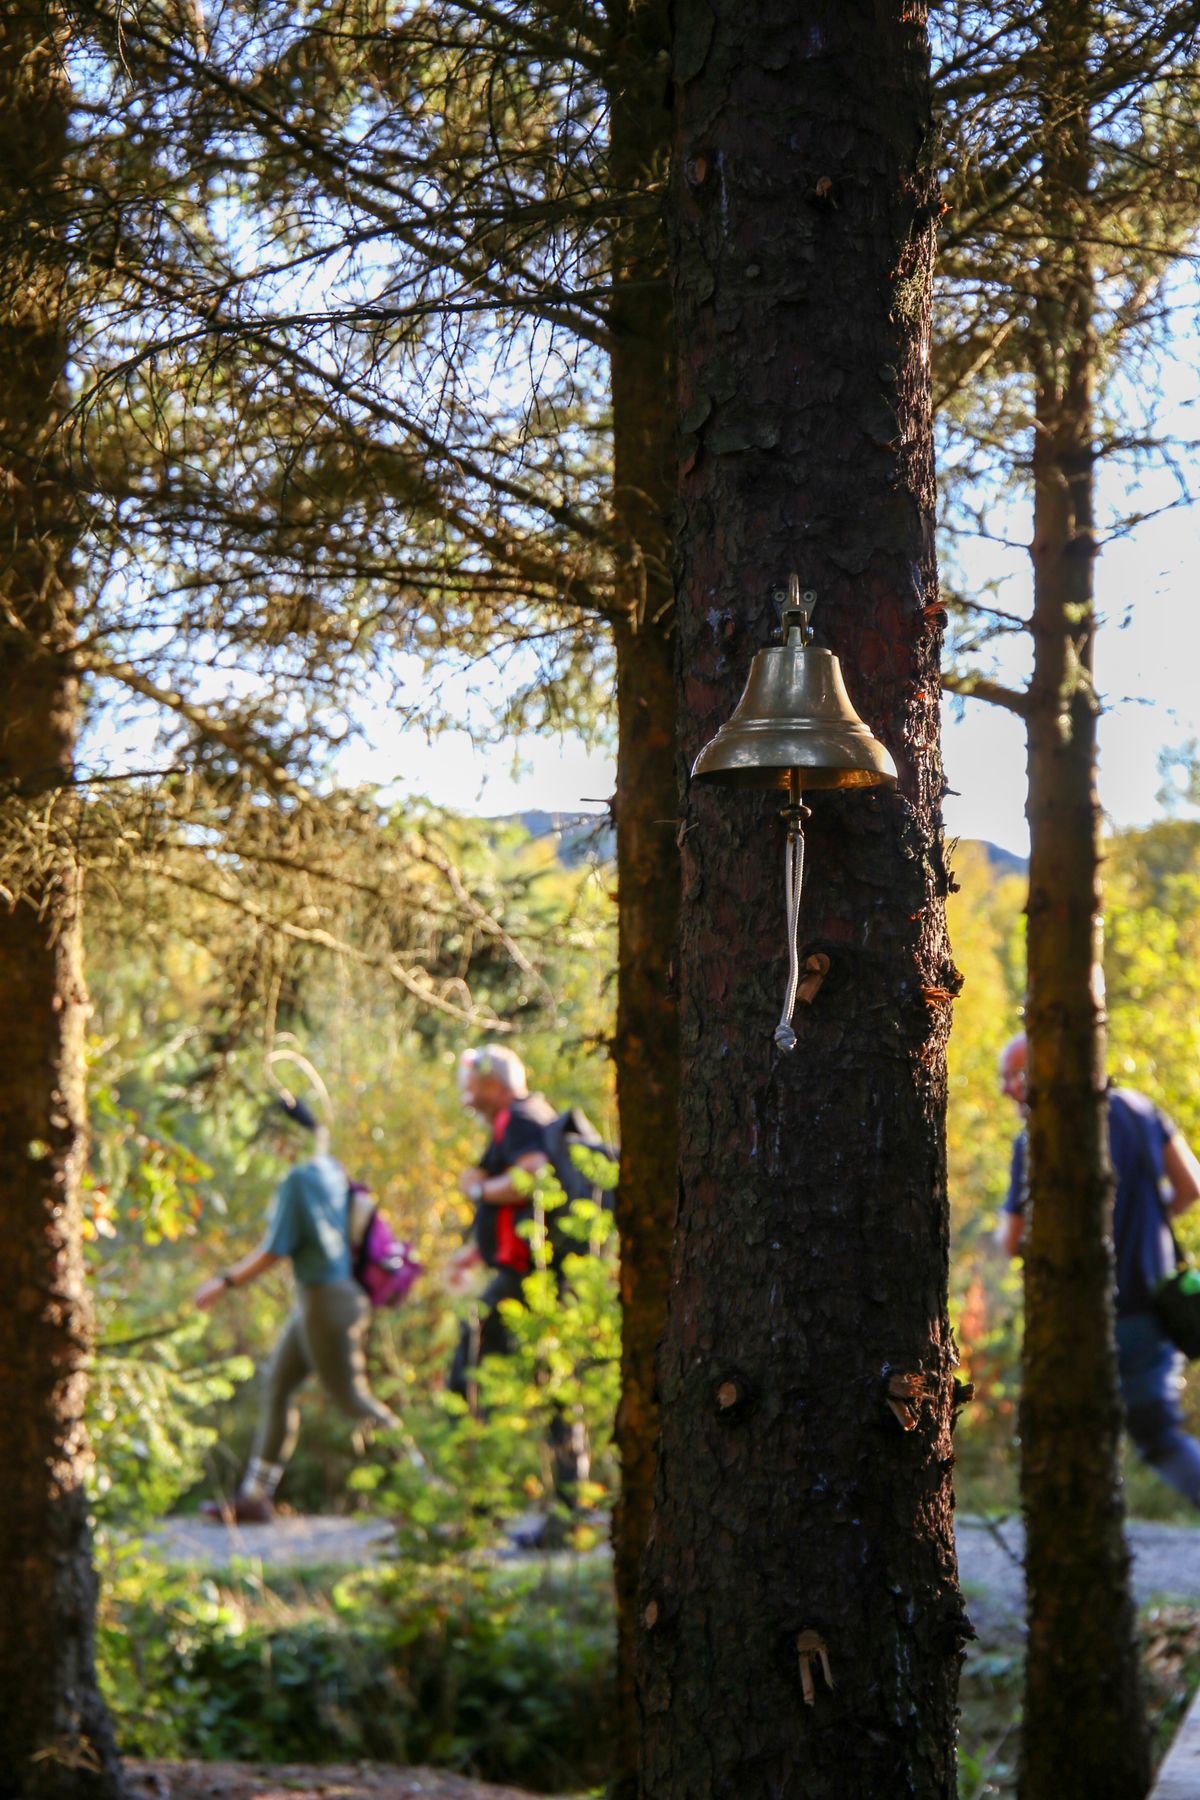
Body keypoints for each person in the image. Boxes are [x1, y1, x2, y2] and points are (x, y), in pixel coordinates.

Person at [999, 1031, 1200, 1505]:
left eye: (1015, 1075)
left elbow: (1012, 1241)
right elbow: (1190, 1187)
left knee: (1082, 1436)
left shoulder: (1036, 1138)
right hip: (1154, 1314)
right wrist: (1146, 1215)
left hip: (1083, 1314)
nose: (1007, 1088)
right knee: (1153, 1434)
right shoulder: (1138, 1109)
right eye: (1004, 1077)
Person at [195, 1094, 397, 1523]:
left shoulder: (297, 1182)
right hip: (322, 1298)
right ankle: (254, 1497)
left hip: (327, 1301)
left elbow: (273, 1251)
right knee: (279, 1384)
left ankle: (429, 1482)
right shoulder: (328, 1168)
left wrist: (222, 1283)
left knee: (354, 1400)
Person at [446, 1044, 588, 1526]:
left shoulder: (522, 1118)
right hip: (534, 1276)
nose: (466, 1088)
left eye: (473, 1079)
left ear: (496, 1083)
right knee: (549, 1384)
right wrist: (472, 1251)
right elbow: (502, 1195)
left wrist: (478, 1188)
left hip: (532, 1278)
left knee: (471, 1367)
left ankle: (482, 1505)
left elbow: (531, 1177)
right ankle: (563, 1510)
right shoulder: (515, 1121)